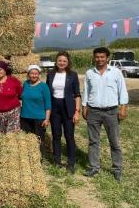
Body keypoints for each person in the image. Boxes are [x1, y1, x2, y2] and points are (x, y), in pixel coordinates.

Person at [82, 47, 128, 181]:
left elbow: (122, 90)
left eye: (102, 57)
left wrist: (123, 107)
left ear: (107, 58)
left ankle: (117, 169)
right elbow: (86, 91)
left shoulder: (116, 72)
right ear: (94, 57)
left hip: (111, 111)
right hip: (93, 111)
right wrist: (84, 106)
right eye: (97, 57)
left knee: (114, 141)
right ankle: (94, 167)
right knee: (93, 141)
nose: (99, 59)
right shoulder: (89, 73)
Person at [46, 51, 81, 173]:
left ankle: (71, 163)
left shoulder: (73, 75)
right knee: (56, 136)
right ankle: (57, 160)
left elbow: (77, 94)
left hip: (68, 108)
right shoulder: (50, 74)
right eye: (60, 60)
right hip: (55, 108)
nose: (62, 63)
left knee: (69, 136)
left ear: (68, 62)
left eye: (64, 61)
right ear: (56, 61)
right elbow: (47, 93)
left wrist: (77, 111)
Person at [20, 65, 51, 155]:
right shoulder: (25, 84)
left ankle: (38, 160)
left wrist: (47, 119)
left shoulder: (43, 87)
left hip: (39, 118)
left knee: (39, 140)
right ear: (28, 74)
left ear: (39, 75)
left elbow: (48, 104)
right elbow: (21, 97)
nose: (34, 75)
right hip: (25, 117)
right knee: (26, 140)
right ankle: (28, 159)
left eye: (36, 74)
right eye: (32, 73)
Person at [0, 61, 22, 135]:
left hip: (13, 113)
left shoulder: (13, 80)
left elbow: (20, 94)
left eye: (0, 69)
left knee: (11, 136)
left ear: (5, 70)